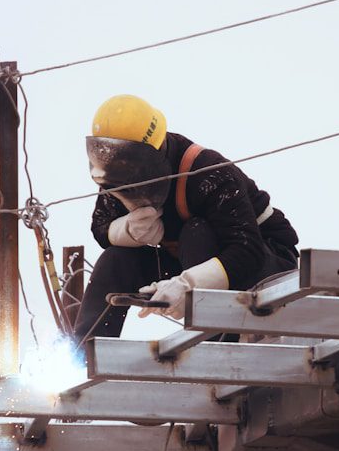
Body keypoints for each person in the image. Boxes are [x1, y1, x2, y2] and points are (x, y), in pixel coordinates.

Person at [72, 94, 299, 346]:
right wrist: (125, 231)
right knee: (117, 259)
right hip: (194, 265)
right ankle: (83, 357)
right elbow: (100, 227)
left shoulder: (208, 173)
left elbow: (247, 252)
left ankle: (213, 347)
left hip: (266, 265)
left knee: (196, 232)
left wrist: (186, 285)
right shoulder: (117, 177)